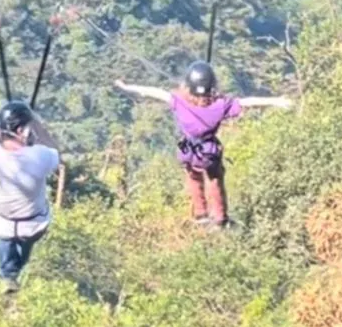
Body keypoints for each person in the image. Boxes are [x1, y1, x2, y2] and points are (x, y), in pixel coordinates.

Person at [113, 60, 291, 232]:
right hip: (208, 154)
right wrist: (276, 101)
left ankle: (200, 215)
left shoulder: (180, 101)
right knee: (215, 180)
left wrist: (127, 87)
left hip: (188, 151)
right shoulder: (220, 106)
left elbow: (153, 92)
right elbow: (248, 102)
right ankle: (220, 218)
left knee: (194, 178)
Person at [0, 100, 61, 294]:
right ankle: (15, 270)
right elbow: (55, 151)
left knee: (5, 238)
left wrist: (2, 129)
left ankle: (8, 275)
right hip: (34, 224)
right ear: (23, 130)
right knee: (24, 240)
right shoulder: (41, 156)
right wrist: (36, 123)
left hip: (1, 223)